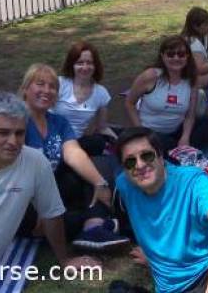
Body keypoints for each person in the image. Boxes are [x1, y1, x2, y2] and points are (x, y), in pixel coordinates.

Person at [0, 92, 99, 292]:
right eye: (3, 132)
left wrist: (64, 260)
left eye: (19, 133)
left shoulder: (34, 161)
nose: (13, 141)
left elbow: (52, 216)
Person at [114, 127, 208, 293]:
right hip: (169, 288)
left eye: (147, 155)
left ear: (161, 156)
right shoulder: (124, 185)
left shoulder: (192, 181)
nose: (140, 165)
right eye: (130, 161)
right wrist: (154, 255)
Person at [19, 63, 127, 249]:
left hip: (52, 189)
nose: (47, 90)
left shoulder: (58, 122)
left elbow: (73, 152)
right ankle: (92, 221)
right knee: (64, 222)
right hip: (22, 196)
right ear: (26, 88)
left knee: (98, 164)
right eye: (40, 84)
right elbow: (12, 172)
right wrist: (36, 207)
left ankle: (94, 225)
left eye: (52, 86)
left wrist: (99, 183)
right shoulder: (17, 120)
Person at [125, 35, 208, 153]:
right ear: (162, 56)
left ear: (187, 56)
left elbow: (190, 115)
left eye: (181, 54)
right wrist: (140, 130)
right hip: (150, 132)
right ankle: (174, 150)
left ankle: (179, 148)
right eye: (170, 54)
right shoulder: (151, 76)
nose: (176, 58)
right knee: (166, 144)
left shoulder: (191, 80)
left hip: (177, 130)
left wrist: (185, 137)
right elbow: (130, 103)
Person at [53, 41, 114, 157]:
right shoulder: (59, 84)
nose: (85, 67)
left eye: (89, 63)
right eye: (80, 63)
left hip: (77, 145)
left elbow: (102, 128)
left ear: (95, 66)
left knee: (97, 142)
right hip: (52, 141)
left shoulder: (101, 93)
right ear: (72, 65)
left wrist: (122, 144)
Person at [182, 7, 208, 87]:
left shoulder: (193, 38)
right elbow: (199, 69)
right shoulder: (194, 44)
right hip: (193, 82)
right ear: (196, 26)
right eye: (206, 24)